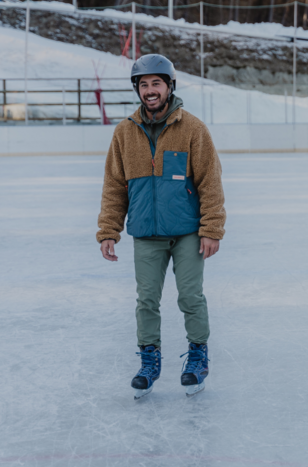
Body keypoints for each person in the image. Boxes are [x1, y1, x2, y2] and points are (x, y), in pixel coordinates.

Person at [97, 54, 226, 399]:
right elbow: (113, 185)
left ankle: (198, 356)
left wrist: (211, 228)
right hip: (146, 234)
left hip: (187, 232)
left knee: (190, 296)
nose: (150, 90)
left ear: (169, 86)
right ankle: (149, 360)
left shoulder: (193, 129)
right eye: (144, 85)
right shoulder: (125, 132)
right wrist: (109, 230)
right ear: (137, 90)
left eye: (156, 83)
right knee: (146, 300)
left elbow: (210, 182)